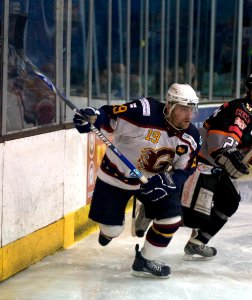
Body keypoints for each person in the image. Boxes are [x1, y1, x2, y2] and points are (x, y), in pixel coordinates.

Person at [73, 83, 200, 278]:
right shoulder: (144, 112)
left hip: (150, 182)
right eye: (184, 109)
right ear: (170, 105)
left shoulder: (190, 136)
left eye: (192, 110)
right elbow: (109, 116)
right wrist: (92, 119)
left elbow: (187, 167)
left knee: (171, 219)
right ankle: (110, 229)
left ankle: (144, 261)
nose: (189, 116)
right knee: (112, 231)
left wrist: (171, 180)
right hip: (115, 177)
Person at [180, 73, 252, 260]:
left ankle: (197, 242)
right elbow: (219, 143)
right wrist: (228, 154)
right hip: (201, 162)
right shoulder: (240, 110)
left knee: (230, 201)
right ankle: (155, 213)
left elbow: (250, 146)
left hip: (215, 166)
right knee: (194, 217)